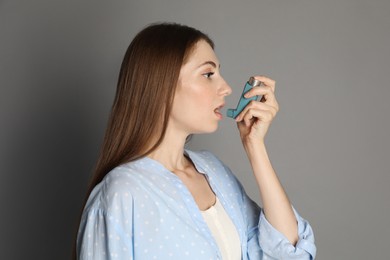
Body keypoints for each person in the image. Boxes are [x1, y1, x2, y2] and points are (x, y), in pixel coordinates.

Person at [75, 23, 316, 259]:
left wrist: (255, 147)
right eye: (208, 74)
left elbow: (289, 252)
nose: (226, 88)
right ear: (162, 85)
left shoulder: (214, 171)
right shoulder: (120, 195)